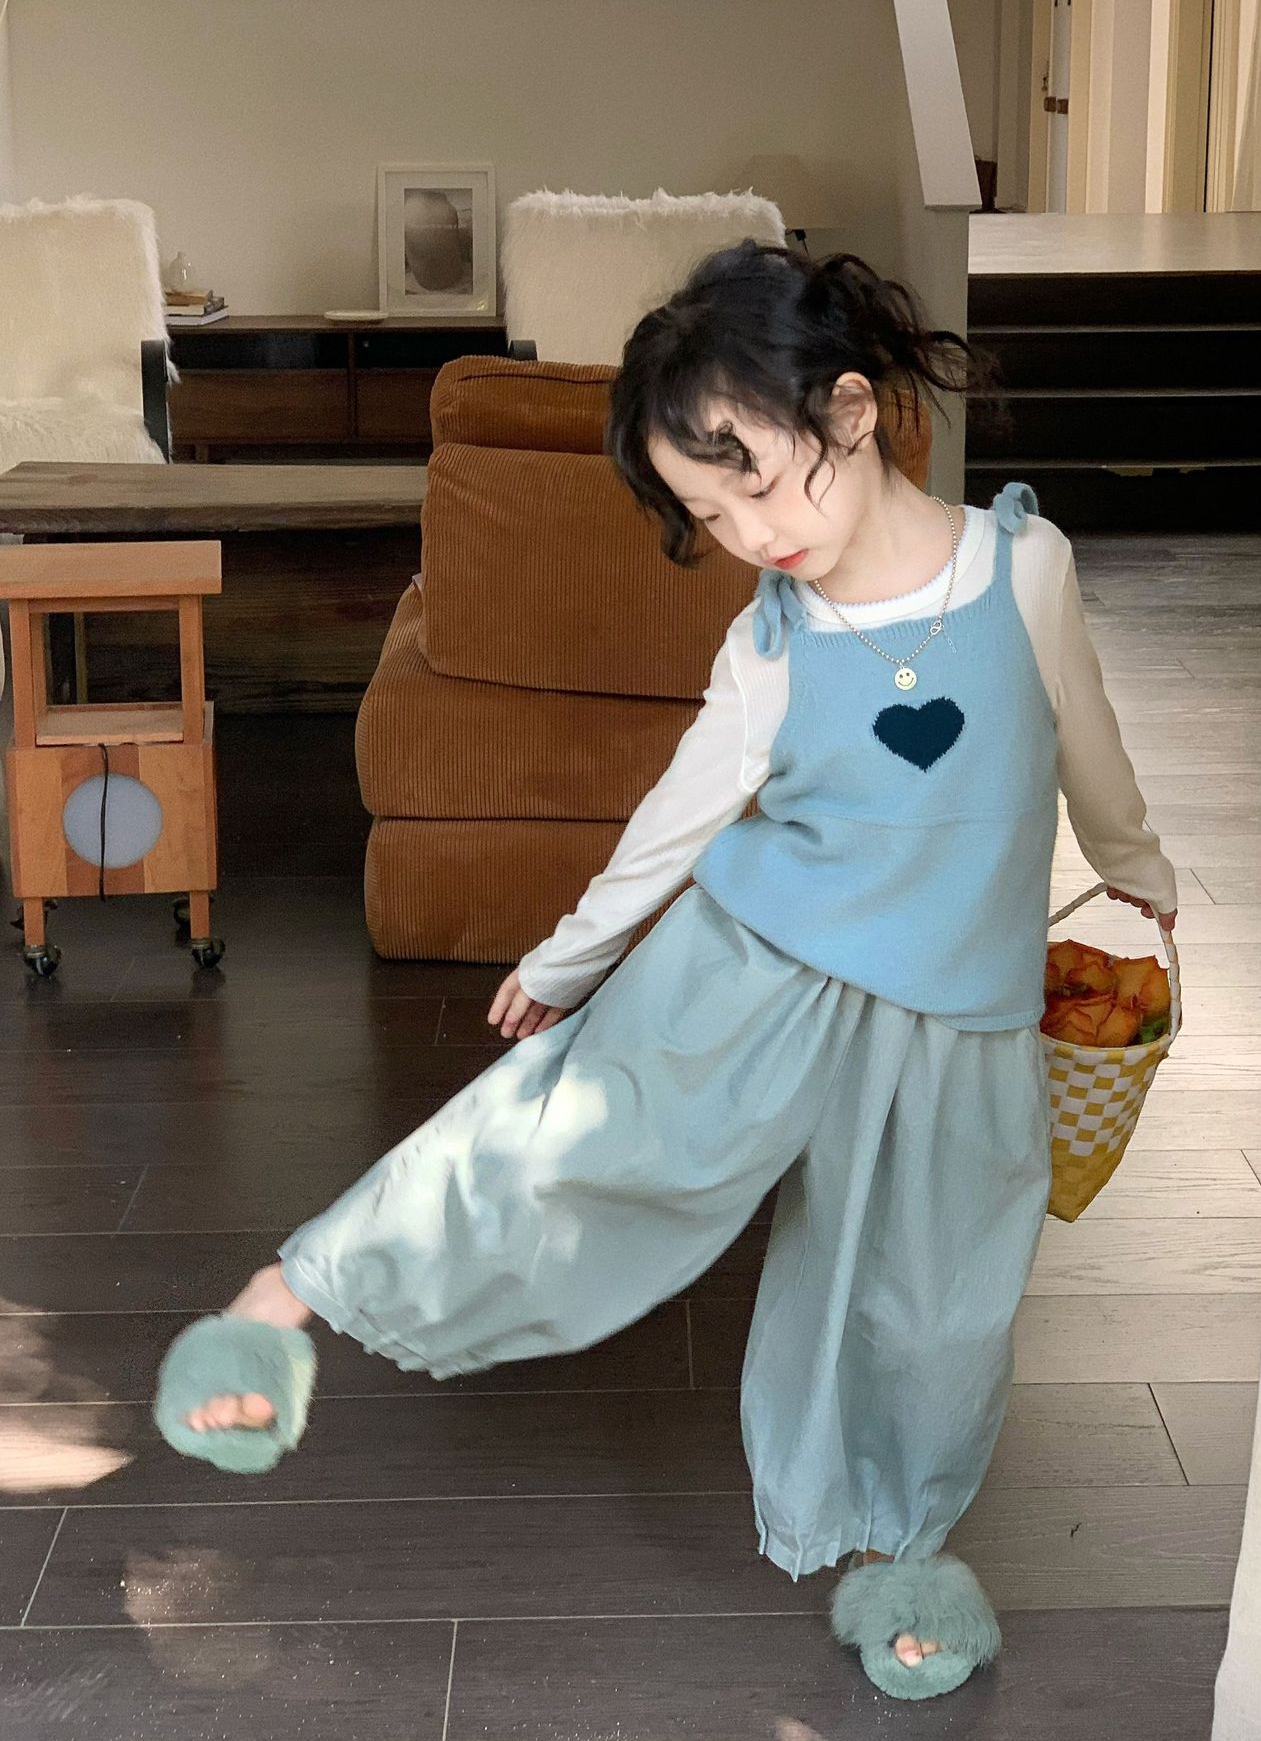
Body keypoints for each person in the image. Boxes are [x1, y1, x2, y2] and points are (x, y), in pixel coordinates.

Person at [153, 241, 1178, 1702]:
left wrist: (1139, 867)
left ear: (848, 411)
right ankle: (300, 1290)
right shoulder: (775, 642)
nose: (750, 535)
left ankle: (904, 1554)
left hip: (961, 1015)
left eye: (757, 484)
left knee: (938, 1308)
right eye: (709, 514)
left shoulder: (1027, 565)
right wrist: (571, 960)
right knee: (581, 1143)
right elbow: (680, 818)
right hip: (763, 968)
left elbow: (1086, 734)